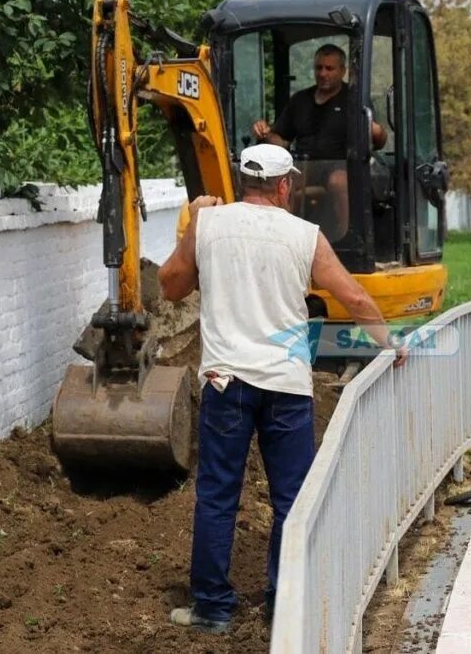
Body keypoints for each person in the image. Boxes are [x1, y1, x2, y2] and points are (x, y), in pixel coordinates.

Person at [157, 143, 407, 633]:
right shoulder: (304, 235)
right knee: (291, 498)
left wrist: (191, 227)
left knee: (217, 496)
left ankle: (211, 609)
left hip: (226, 382)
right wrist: (389, 343)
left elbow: (170, 286)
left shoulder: (209, 224)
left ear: (243, 180)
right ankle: (285, 604)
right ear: (285, 185)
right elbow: (353, 295)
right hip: (287, 387)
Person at [251, 44, 387, 241]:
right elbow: (281, 142)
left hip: (342, 166)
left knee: (338, 181)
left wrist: (374, 129)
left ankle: (349, 240)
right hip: (306, 167)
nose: (323, 73)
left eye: (329, 68)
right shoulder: (300, 101)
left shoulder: (355, 100)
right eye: (319, 68)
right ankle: (278, 240)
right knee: (279, 183)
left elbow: (379, 140)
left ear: (343, 71)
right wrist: (265, 133)